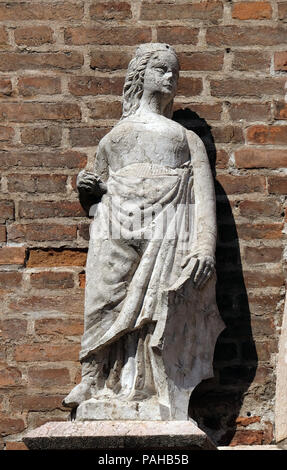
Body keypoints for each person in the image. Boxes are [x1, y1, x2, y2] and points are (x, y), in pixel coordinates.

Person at [63, 43, 224, 420]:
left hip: (167, 227)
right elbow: (96, 188)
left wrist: (204, 246)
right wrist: (86, 186)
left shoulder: (186, 139)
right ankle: (94, 375)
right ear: (141, 74)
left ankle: (151, 387)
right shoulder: (114, 138)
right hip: (115, 223)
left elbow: (203, 197)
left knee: (157, 308)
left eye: (175, 73)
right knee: (102, 299)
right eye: (163, 70)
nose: (171, 79)